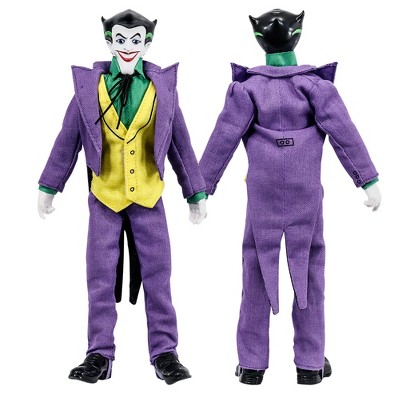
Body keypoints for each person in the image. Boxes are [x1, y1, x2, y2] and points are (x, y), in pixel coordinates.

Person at [199, 9, 381, 385]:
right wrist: (367, 180)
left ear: (258, 38)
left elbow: (223, 137)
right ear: (298, 35)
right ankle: (310, 363)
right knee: (309, 269)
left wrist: (200, 188)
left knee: (255, 269)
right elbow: (344, 133)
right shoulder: (315, 87)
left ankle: (252, 364)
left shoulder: (247, 89)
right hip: (305, 192)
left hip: (262, 193)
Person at [38, 9, 206, 385]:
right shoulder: (89, 90)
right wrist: (49, 185)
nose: (128, 47)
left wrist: (194, 191)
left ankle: (165, 351)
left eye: (135, 40)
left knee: (158, 275)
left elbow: (180, 144)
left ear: (147, 43)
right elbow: (67, 141)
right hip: (105, 197)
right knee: (99, 276)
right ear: (109, 41)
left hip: (148, 197)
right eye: (120, 39)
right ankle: (99, 353)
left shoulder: (162, 90)